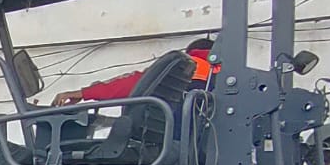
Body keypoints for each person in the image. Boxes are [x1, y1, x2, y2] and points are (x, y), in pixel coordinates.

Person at [51, 37, 215, 106]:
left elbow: (132, 83)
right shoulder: (221, 73)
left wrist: (83, 93)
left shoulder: (186, 65)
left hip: (171, 142)